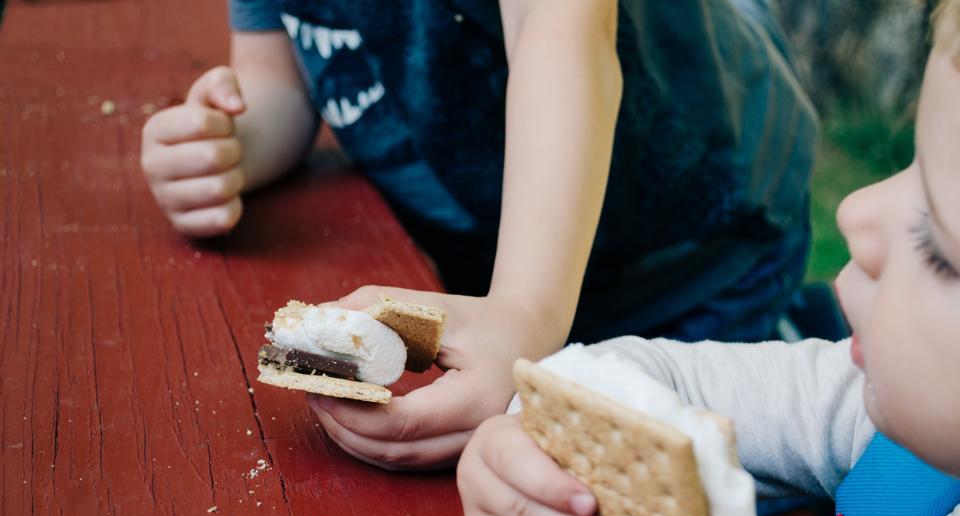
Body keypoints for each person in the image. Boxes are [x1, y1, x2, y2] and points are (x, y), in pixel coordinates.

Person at [140, 0, 816, 469]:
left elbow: (560, 36)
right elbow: (278, 77)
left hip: (695, 252)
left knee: (708, 477)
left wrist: (524, 312)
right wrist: (230, 145)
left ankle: (808, 341)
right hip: (500, 263)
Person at [456, 2, 960, 516]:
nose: (853, 212)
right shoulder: (863, 403)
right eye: (910, 163)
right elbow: (639, 382)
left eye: (939, 248)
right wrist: (531, 442)